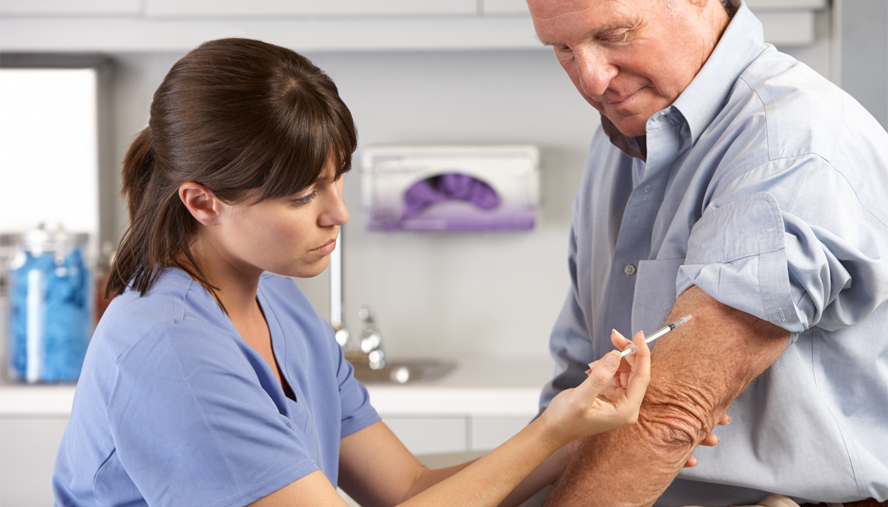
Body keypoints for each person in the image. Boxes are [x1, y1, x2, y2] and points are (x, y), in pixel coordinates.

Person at [51, 38, 660, 507]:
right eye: (300, 197)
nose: (338, 212)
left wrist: (584, 432)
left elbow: (408, 488)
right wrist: (552, 430)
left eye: (337, 176)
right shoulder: (170, 350)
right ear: (202, 202)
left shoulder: (278, 301)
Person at [525, 0, 888, 505]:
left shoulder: (787, 144)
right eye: (563, 49)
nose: (590, 79)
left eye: (614, 36)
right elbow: (577, 392)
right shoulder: (620, 139)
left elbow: (670, 414)